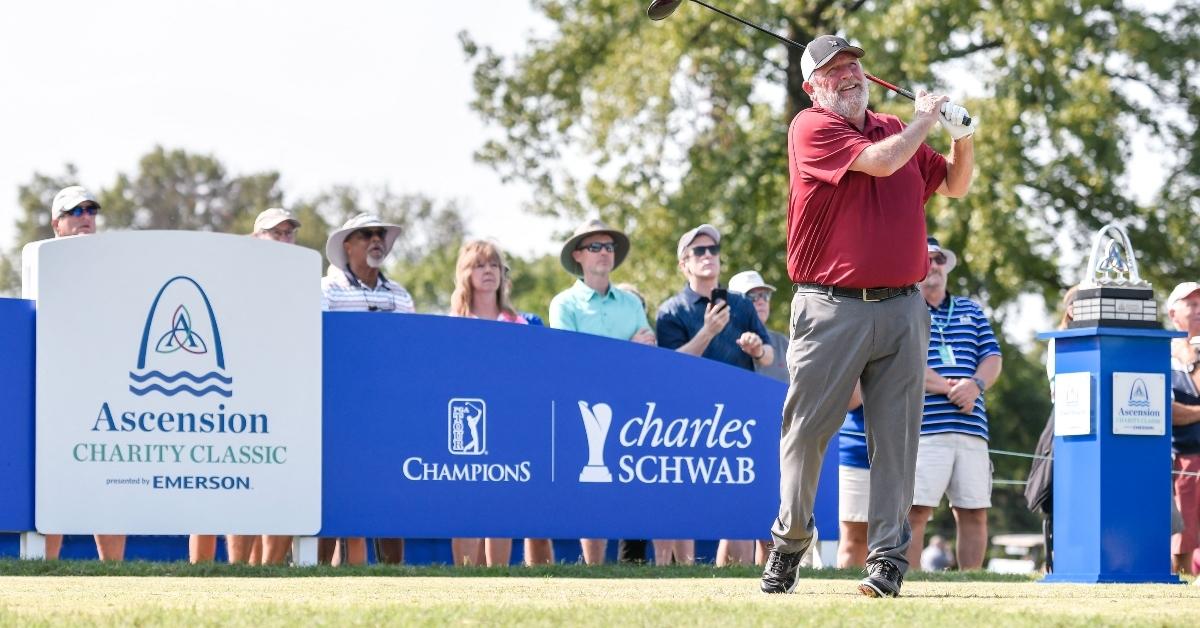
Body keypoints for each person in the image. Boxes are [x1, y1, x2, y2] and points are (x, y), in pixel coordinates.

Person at [759, 34, 975, 597]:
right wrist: (924, 120)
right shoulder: (811, 128)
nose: (849, 76)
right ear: (813, 88)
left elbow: (954, 182)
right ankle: (790, 540)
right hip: (830, 308)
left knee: (896, 439)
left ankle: (887, 559)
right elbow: (879, 165)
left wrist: (963, 135)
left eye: (854, 64)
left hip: (903, 309)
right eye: (834, 71)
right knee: (805, 433)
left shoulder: (890, 128)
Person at [189, 208, 304, 566]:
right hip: (228, 395)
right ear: (257, 239)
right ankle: (221, 571)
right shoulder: (232, 277)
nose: (284, 239)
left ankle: (260, 573)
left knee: (269, 482)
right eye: (276, 233)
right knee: (223, 486)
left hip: (280, 394)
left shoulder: (301, 284)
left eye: (289, 233)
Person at [657, 224, 774, 566]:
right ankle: (686, 571)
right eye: (698, 251)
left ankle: (736, 574)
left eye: (713, 250)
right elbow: (670, 365)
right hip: (687, 415)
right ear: (684, 264)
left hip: (738, 416)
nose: (708, 256)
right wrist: (708, 332)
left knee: (735, 499)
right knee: (684, 497)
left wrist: (756, 349)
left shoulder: (741, 305)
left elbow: (768, 355)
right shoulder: (671, 310)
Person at [548, 219, 655, 565]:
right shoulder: (564, 304)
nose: (605, 253)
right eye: (596, 247)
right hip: (585, 405)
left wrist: (618, 353)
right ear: (578, 255)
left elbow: (648, 350)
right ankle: (593, 568)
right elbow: (571, 357)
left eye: (609, 247)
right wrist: (627, 350)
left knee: (632, 487)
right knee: (593, 486)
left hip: (632, 403)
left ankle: (632, 567)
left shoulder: (630, 303)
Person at [448, 239, 553, 567]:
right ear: (465, 273)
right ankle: (466, 582)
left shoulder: (523, 323)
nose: (488, 271)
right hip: (467, 421)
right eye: (479, 265)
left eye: (494, 265)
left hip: (513, 421)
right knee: (467, 505)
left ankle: (499, 579)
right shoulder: (451, 325)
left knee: (502, 502)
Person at [320, 213, 413, 566]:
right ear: (348, 244)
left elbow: (409, 352)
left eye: (380, 235)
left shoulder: (401, 296)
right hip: (340, 409)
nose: (376, 240)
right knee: (335, 496)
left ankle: (393, 575)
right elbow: (326, 344)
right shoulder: (327, 290)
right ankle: (320, 574)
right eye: (366, 235)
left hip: (389, 411)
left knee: (391, 494)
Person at [906, 238, 1002, 571]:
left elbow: (992, 357)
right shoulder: (904, 308)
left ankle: (971, 579)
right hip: (925, 429)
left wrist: (974, 385)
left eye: (938, 260)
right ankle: (908, 577)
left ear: (946, 267)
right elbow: (904, 363)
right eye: (925, 259)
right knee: (916, 509)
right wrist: (951, 389)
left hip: (971, 428)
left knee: (973, 509)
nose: (932, 265)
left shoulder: (970, 309)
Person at [43, 186, 125, 562]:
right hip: (55, 387)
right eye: (75, 211)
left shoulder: (112, 262)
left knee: (109, 477)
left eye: (91, 209)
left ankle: (114, 572)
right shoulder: (42, 259)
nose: (85, 215)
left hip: (104, 385)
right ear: (56, 223)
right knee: (52, 480)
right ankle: (43, 566)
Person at [1166, 281, 1200, 575]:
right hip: (1185, 459)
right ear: (1173, 312)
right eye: (1192, 304)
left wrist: (1193, 362)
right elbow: (1170, 412)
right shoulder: (1162, 354)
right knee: (1184, 539)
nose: (1199, 310)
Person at [729, 270, 789, 384]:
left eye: (765, 295)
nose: (761, 301)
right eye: (752, 296)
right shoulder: (720, 344)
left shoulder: (785, 344)